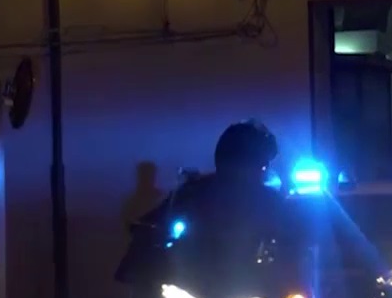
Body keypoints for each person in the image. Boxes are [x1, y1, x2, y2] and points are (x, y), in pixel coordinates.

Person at [116, 119, 293, 285]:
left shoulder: (271, 201)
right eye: (260, 163)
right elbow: (154, 222)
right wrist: (144, 234)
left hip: (251, 284)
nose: (262, 169)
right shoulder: (193, 191)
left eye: (263, 164)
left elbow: (294, 237)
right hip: (193, 282)